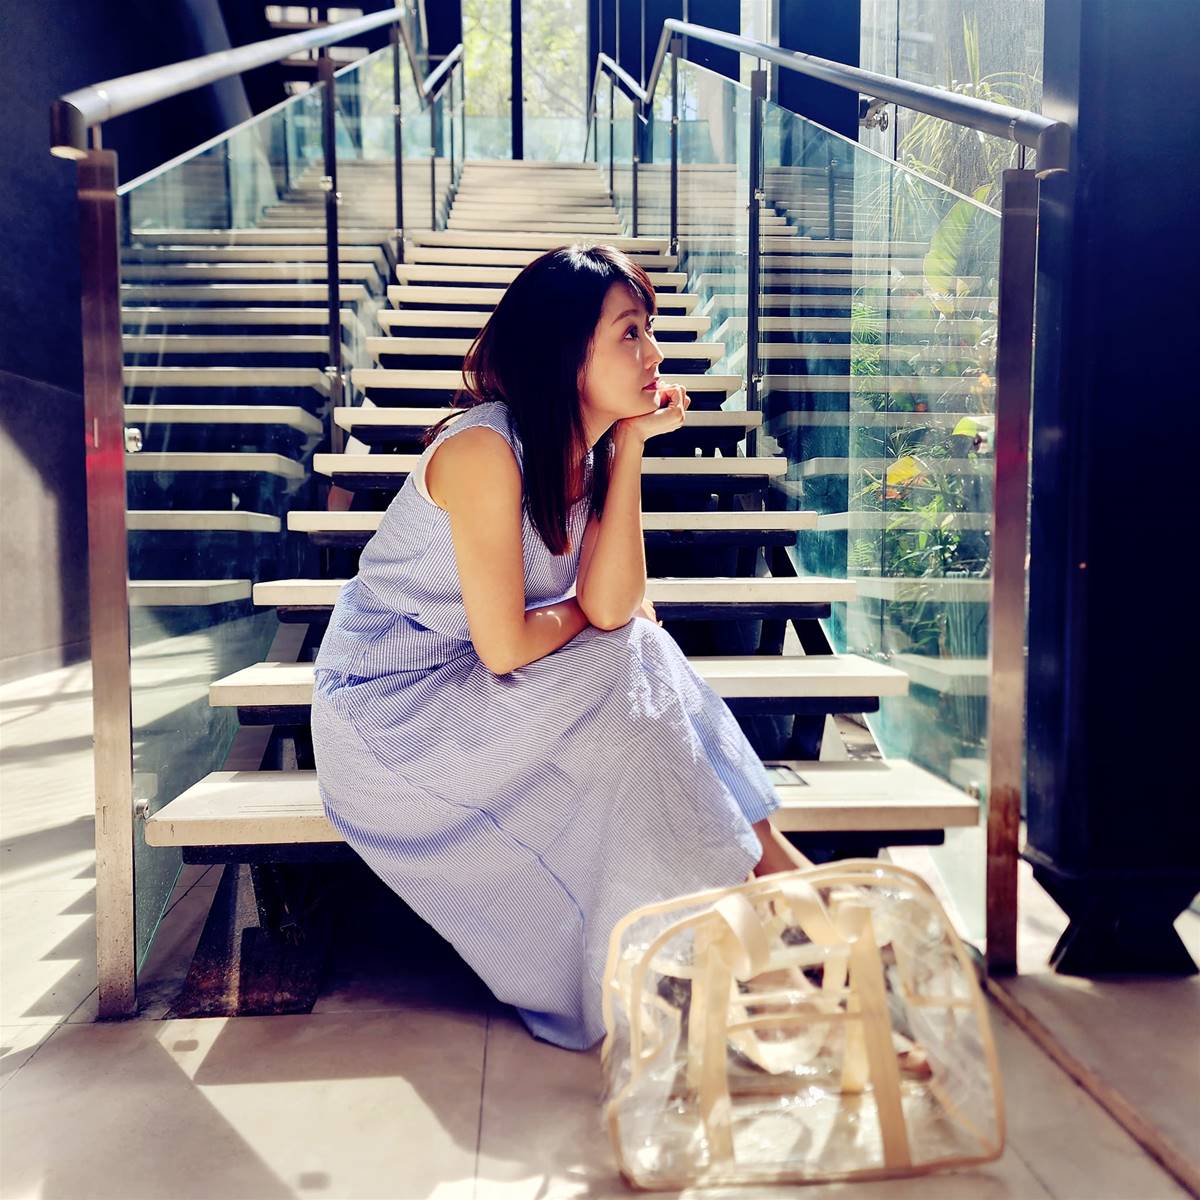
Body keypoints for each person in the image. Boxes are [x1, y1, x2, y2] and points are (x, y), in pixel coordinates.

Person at [310, 244, 809, 1051]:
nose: (654, 354)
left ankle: (771, 904)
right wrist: (589, 611)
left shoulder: (593, 449)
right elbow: (513, 643)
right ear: (565, 353)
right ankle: (777, 923)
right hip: (392, 716)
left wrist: (633, 447)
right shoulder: (484, 452)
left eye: (649, 330)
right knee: (630, 657)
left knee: (638, 657)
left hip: (478, 687)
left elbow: (614, 607)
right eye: (629, 333)